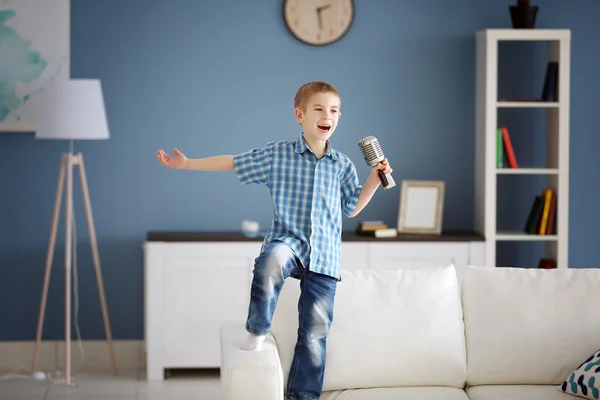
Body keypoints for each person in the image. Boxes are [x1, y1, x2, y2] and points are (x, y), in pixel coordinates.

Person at [156, 81, 392, 400]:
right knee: (270, 262)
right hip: (288, 242)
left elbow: (351, 208)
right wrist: (187, 164)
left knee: (314, 335)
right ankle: (257, 329)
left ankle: (302, 397)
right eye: (319, 109)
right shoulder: (278, 155)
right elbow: (233, 161)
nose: (328, 116)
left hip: (324, 256)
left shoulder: (343, 165)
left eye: (334, 110)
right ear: (300, 115)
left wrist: (374, 181)